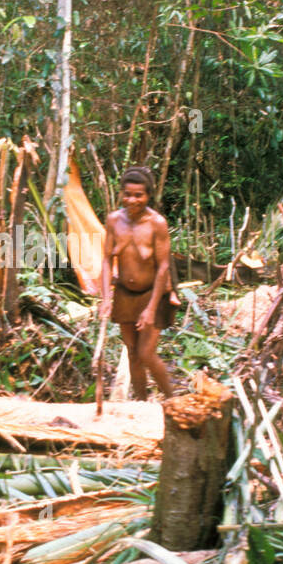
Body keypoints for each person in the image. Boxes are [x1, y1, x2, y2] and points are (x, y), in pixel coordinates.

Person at [99, 166, 176, 400]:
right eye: (128, 194)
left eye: (138, 195)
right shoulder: (114, 221)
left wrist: (151, 309)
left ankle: (173, 402)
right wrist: (106, 299)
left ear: (148, 196)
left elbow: (163, 267)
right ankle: (141, 404)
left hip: (152, 294)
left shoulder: (157, 223)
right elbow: (106, 260)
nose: (132, 200)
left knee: (146, 353)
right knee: (132, 353)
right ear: (121, 194)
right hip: (124, 293)